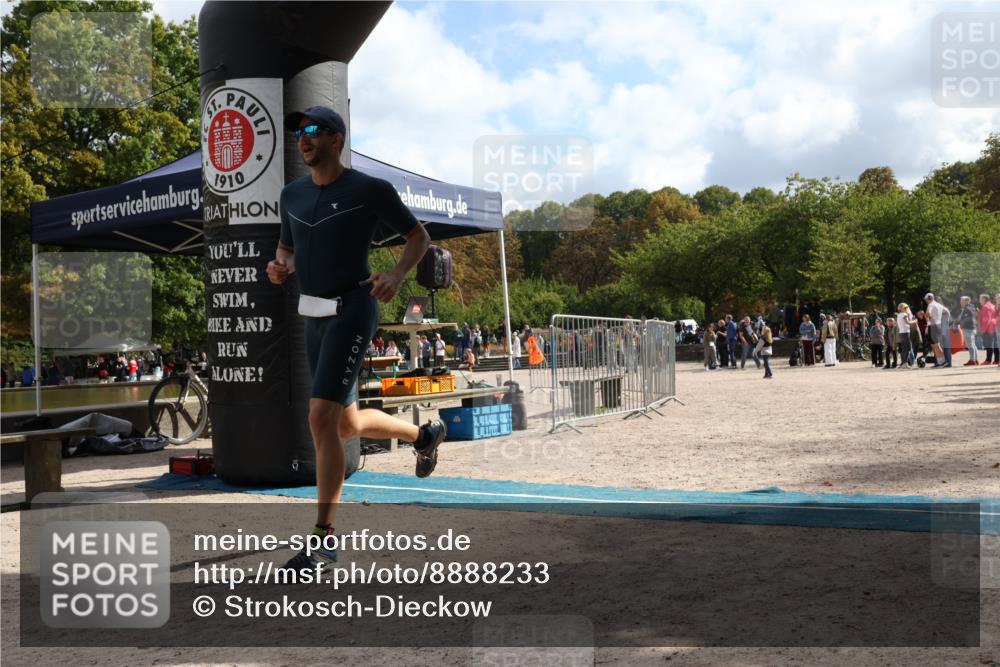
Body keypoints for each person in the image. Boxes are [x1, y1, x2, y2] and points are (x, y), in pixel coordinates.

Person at [267, 105, 446, 572]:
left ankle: (323, 540)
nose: (303, 139)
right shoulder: (291, 194)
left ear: (337, 139)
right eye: (299, 133)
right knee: (343, 425)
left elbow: (418, 237)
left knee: (319, 417)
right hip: (314, 314)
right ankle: (423, 434)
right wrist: (277, 267)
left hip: (353, 308)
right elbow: (285, 249)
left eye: (312, 130)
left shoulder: (370, 189)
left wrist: (398, 273)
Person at [956, 296, 979, 366]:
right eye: (960, 301)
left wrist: (958, 323)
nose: (960, 302)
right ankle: (975, 360)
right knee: (973, 345)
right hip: (972, 328)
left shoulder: (967, 309)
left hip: (968, 328)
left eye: (962, 301)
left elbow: (966, 319)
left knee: (970, 345)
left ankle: (972, 360)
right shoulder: (972, 307)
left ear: (967, 301)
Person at [896, 303, 916, 368]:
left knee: (904, 348)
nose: (907, 309)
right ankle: (906, 363)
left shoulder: (899, 315)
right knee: (908, 348)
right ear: (903, 308)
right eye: (905, 307)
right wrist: (914, 321)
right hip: (906, 332)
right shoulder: (904, 314)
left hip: (901, 333)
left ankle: (904, 363)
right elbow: (908, 322)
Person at [980, 294, 997, 365]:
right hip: (994, 327)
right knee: (995, 344)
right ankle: (997, 359)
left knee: (988, 345)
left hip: (988, 328)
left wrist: (983, 329)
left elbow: (986, 319)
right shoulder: (992, 305)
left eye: (980, 299)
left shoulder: (985, 307)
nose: (979, 301)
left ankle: (988, 360)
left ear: (984, 299)